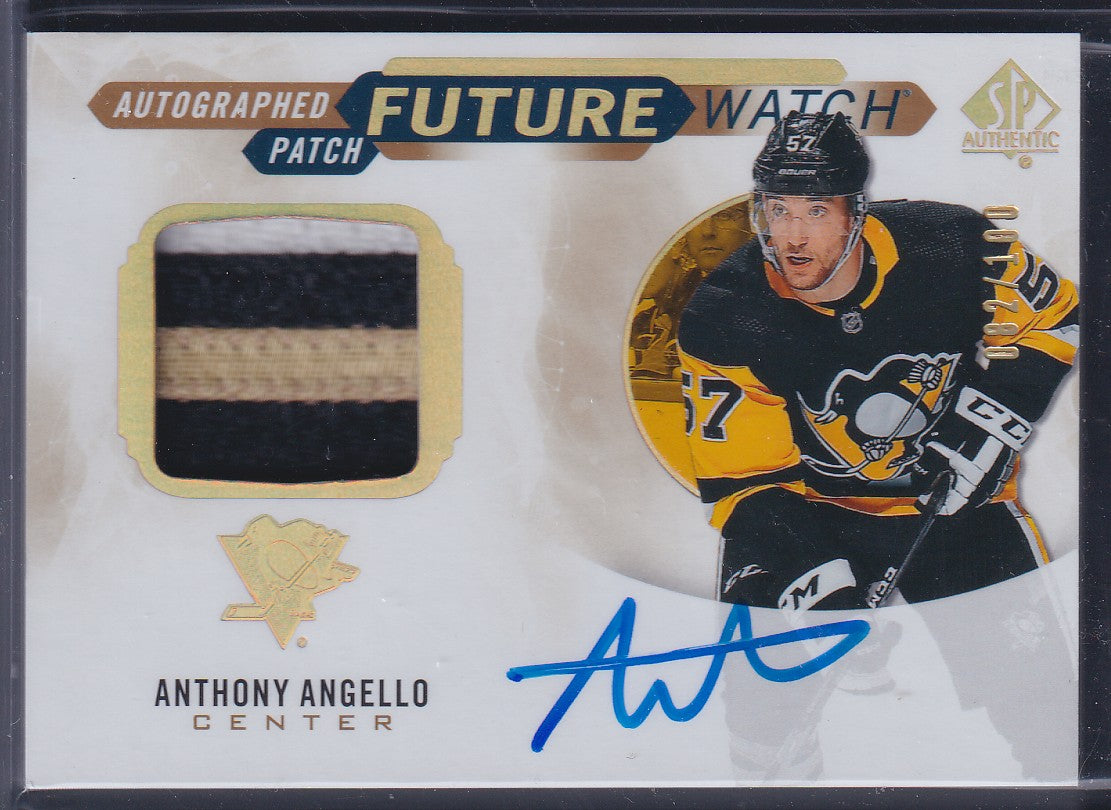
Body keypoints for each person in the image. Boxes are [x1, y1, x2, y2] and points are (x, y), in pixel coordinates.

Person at [677, 110, 1078, 610]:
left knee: (1019, 662)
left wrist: (992, 421)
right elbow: (745, 483)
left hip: (955, 494)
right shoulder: (725, 314)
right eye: (779, 210)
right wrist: (818, 581)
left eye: (817, 211)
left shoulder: (953, 243)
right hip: (804, 514)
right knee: (777, 660)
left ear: (857, 213)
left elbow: (1055, 316)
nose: (794, 237)